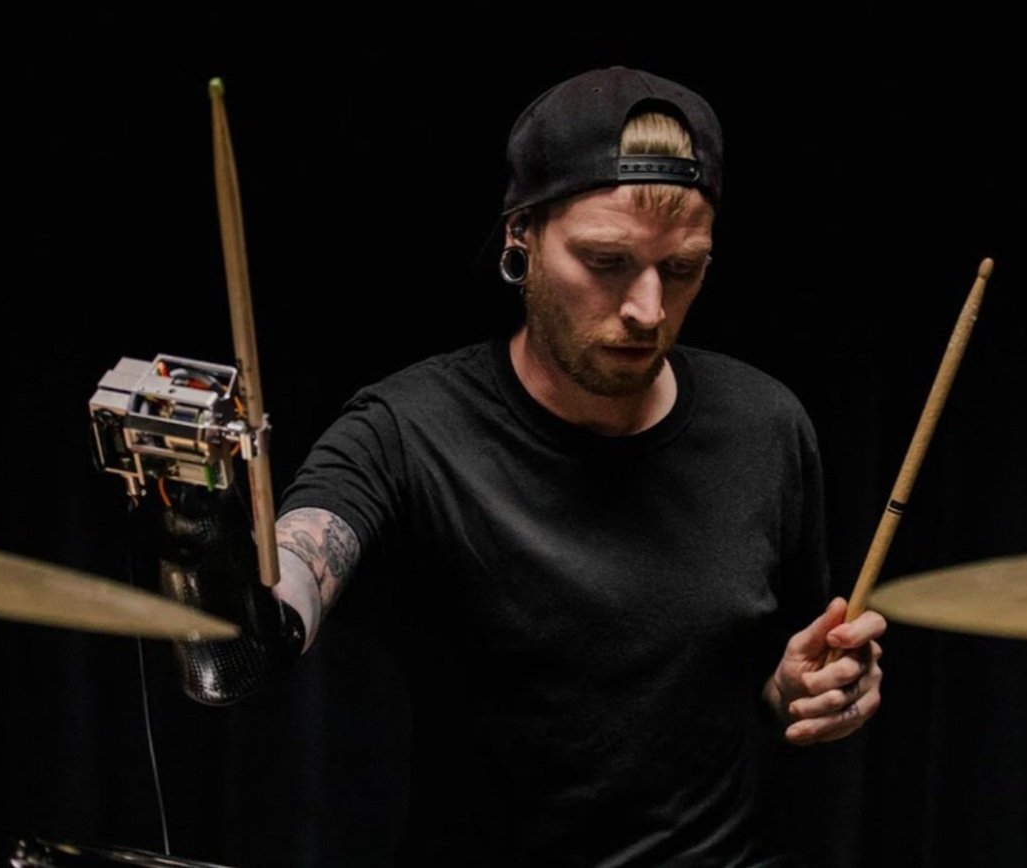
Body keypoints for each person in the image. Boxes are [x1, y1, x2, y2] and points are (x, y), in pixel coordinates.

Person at [258, 67, 885, 867]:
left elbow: (771, 678)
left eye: (682, 268)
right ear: (520, 235)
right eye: (606, 261)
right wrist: (251, 591)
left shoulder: (768, 426)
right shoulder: (407, 430)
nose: (648, 310)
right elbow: (298, 562)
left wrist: (803, 691)